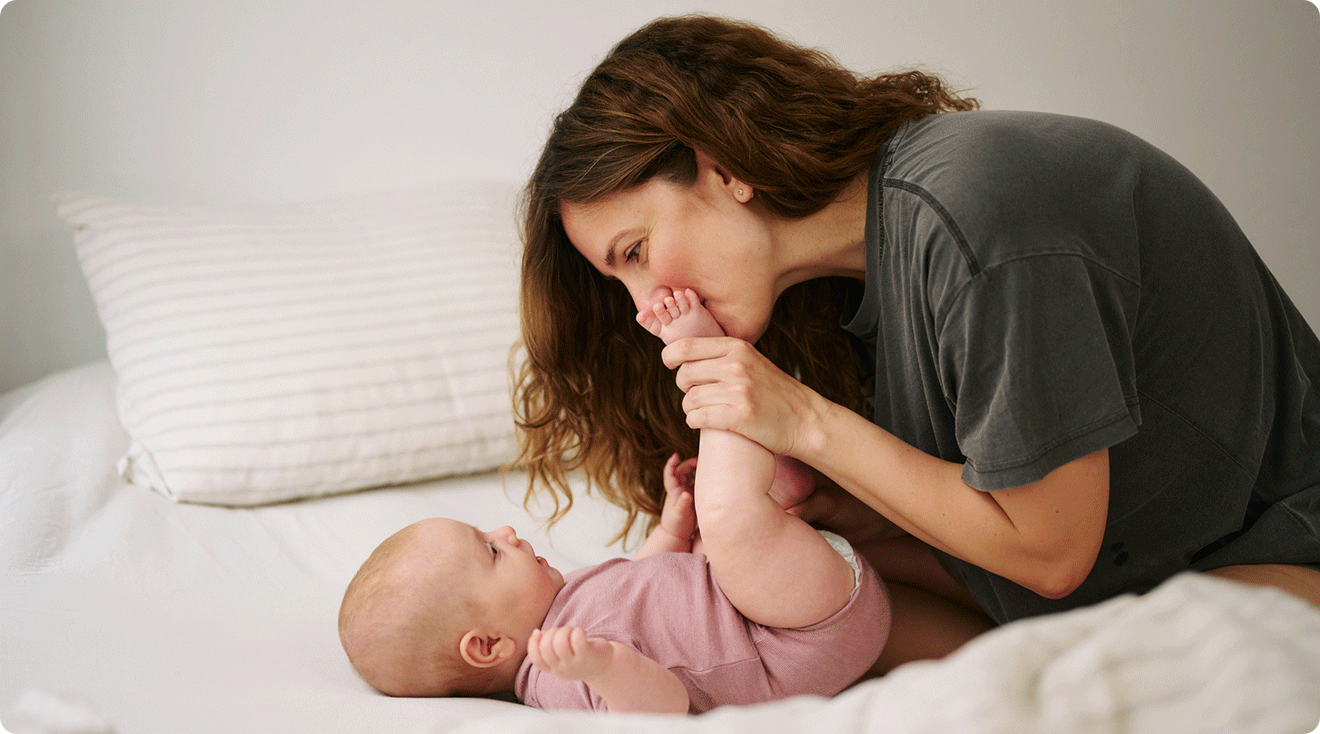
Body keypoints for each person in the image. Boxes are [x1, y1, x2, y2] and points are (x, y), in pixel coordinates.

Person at [514, 12, 1320, 633]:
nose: (643, 304)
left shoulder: (981, 216)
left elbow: (1049, 553)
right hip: (1129, 581)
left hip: (1279, 562)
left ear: (722, 168)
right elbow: (996, 519)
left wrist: (801, 420)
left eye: (637, 251)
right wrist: (839, 518)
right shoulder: (867, 278)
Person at [339, 291, 890, 713]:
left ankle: (774, 489)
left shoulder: (566, 603)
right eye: (489, 552)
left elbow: (644, 583)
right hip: (788, 642)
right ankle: (709, 368)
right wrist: (604, 667)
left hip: (775, 604)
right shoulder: (557, 675)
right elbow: (664, 710)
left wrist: (674, 530)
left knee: (712, 533)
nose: (507, 533)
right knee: (728, 518)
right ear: (486, 646)